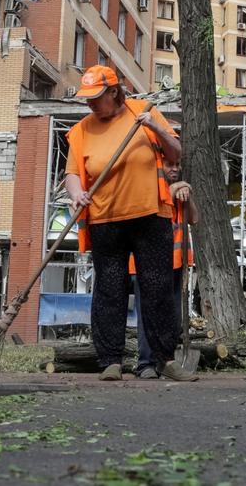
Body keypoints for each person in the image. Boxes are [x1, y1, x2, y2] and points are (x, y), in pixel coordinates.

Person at [63, 65, 197, 382]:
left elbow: (176, 152)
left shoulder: (143, 112)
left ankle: (165, 359)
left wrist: (156, 127)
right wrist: (77, 191)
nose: (91, 104)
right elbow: (71, 173)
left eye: (96, 97)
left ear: (114, 91)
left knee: (157, 288)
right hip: (105, 219)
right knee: (110, 290)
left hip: (150, 215)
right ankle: (110, 360)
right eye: (87, 99)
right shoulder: (82, 129)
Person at [131, 155, 197, 378]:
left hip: (175, 262)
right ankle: (145, 363)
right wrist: (173, 189)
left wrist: (187, 197)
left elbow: (194, 219)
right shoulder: (147, 188)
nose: (175, 169)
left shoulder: (180, 193)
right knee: (148, 314)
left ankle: (165, 362)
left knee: (172, 316)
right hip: (147, 263)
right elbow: (150, 211)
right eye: (170, 165)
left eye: (178, 165)